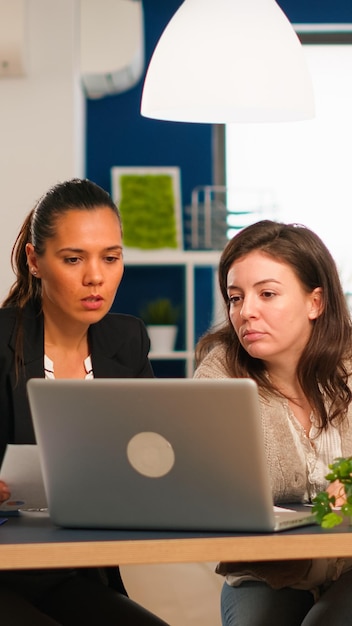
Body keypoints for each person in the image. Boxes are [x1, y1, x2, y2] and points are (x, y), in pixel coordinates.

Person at [0, 178, 169, 625]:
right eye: (73, 259)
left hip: (70, 571)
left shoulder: (126, 339)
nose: (95, 276)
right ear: (35, 262)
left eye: (111, 258)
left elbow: (156, 452)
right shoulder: (1, 339)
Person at [194, 219, 352, 626]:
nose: (246, 312)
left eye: (267, 294)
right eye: (234, 298)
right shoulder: (218, 380)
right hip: (265, 571)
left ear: (315, 303)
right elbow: (211, 489)